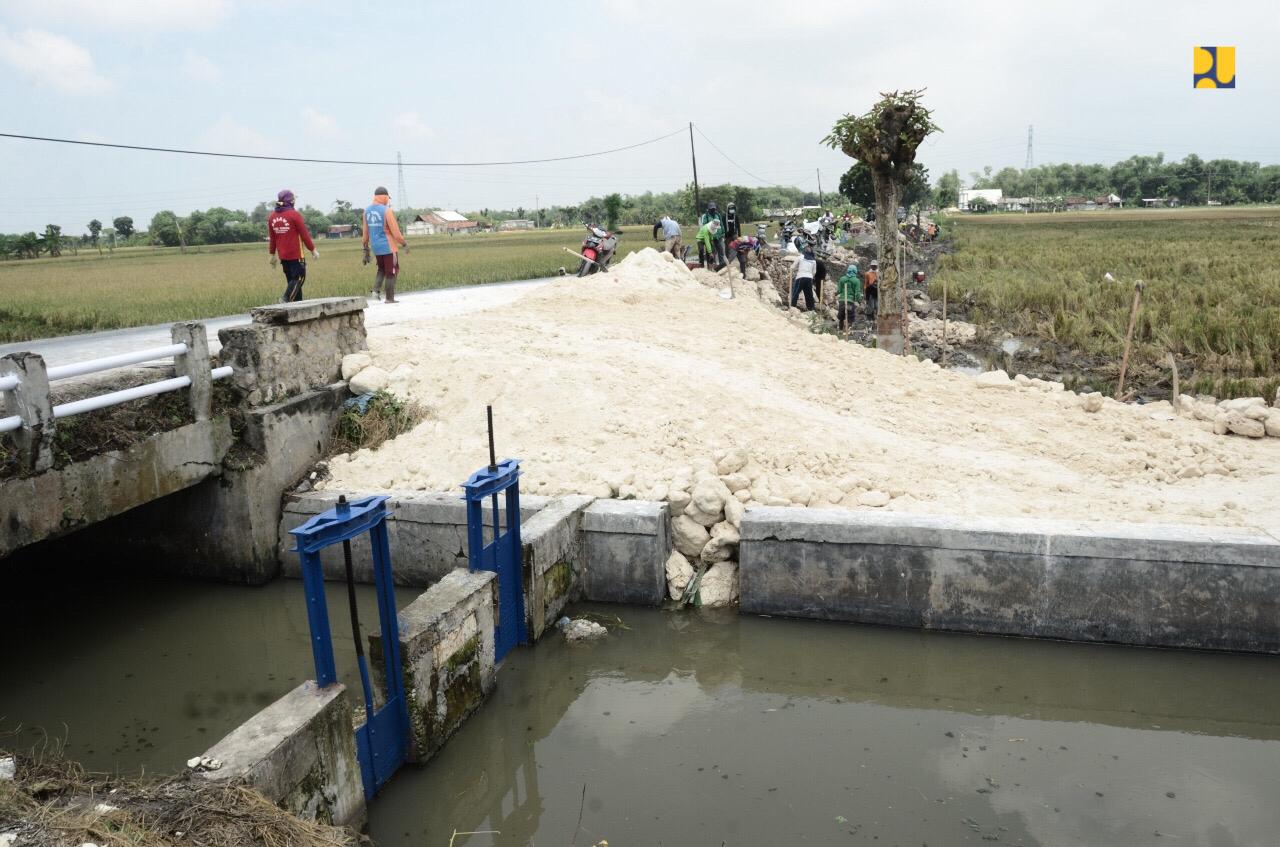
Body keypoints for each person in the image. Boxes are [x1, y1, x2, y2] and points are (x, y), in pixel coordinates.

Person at [267, 189, 318, 303]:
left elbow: (272, 238)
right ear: (290, 201)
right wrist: (313, 250)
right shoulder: (294, 215)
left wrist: (271, 254)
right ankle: (285, 300)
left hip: (283, 257)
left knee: (293, 282)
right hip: (296, 255)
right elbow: (304, 235)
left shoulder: (272, 217)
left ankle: (298, 305)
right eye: (293, 199)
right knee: (299, 278)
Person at [362, 187, 407, 303]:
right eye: (388, 198)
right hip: (388, 247)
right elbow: (395, 232)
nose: (388, 200)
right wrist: (404, 243)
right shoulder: (386, 211)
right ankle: (390, 298)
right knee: (392, 271)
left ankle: (375, 292)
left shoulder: (367, 211)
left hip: (376, 247)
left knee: (381, 269)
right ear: (384, 197)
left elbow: (365, 232)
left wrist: (365, 247)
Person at [790, 240, 825, 311]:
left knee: (796, 292)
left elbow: (792, 267)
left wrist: (793, 271)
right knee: (809, 294)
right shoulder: (813, 261)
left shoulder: (800, 257)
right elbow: (814, 272)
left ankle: (793, 306)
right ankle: (811, 309)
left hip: (800, 277)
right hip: (809, 278)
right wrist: (810, 276)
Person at [699, 202, 727, 268]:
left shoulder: (718, 215)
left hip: (719, 236)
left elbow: (721, 224)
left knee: (721, 252)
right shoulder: (705, 216)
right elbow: (704, 226)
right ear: (708, 209)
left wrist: (723, 233)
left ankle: (721, 266)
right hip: (711, 237)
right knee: (712, 253)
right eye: (711, 209)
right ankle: (713, 266)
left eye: (714, 209)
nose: (713, 210)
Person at [836, 262, 860, 331]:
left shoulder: (842, 279)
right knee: (850, 317)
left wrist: (835, 294)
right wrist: (858, 300)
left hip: (842, 301)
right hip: (850, 302)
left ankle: (840, 330)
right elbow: (857, 293)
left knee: (841, 317)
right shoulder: (856, 281)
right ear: (855, 271)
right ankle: (847, 330)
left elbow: (839, 290)